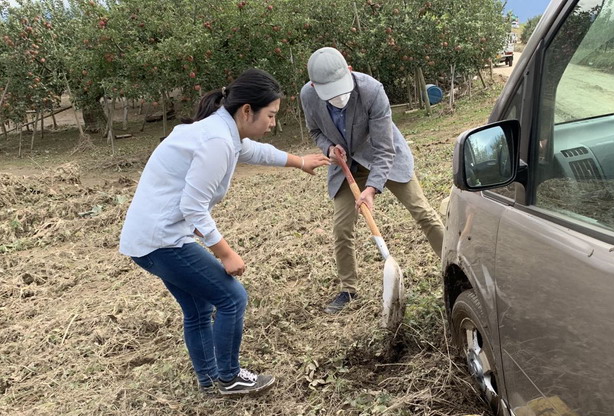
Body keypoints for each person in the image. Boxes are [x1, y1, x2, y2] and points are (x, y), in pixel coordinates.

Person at [119, 68, 330, 396]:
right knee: (232, 297)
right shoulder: (217, 139)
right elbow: (193, 206)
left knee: (199, 308)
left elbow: (255, 152)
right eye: (271, 115)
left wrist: (300, 161)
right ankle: (229, 377)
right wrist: (226, 253)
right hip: (162, 240)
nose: (273, 123)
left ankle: (210, 379)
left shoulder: (221, 131)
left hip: (147, 239)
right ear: (247, 110)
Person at [300, 47, 445, 314]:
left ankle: (452, 265)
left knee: (422, 212)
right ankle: (348, 289)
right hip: (346, 164)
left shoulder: (372, 90)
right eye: (330, 93)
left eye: (341, 89)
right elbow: (315, 131)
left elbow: (385, 148)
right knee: (342, 228)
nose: (338, 98)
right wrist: (329, 148)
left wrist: (372, 188)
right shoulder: (308, 96)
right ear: (313, 85)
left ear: (350, 71)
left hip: (382, 155)